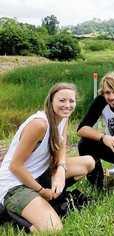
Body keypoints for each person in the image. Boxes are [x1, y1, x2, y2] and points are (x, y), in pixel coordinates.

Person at [0, 83, 95, 233]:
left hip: (40, 174)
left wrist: (60, 170)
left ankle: (42, 202)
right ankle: (10, 213)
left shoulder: (63, 117)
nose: (67, 105)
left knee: (88, 162)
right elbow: (15, 166)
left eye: (71, 101)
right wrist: (41, 191)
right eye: (62, 100)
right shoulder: (39, 124)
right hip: (15, 184)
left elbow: (61, 145)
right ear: (51, 102)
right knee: (53, 229)